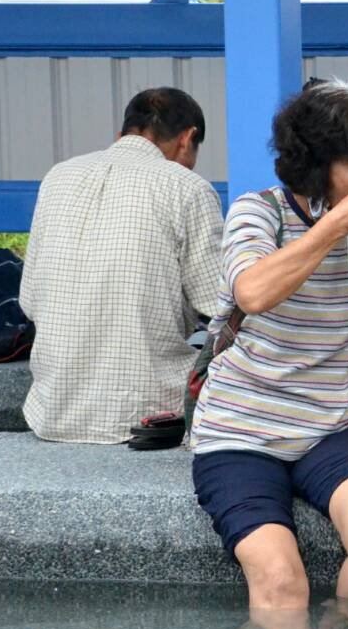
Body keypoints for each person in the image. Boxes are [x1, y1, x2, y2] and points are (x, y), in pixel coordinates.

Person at [190, 79, 348, 610]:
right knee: (280, 580)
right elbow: (254, 291)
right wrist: (335, 226)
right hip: (239, 429)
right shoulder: (257, 212)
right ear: (318, 165)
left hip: (332, 423)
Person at [20, 86, 223, 444]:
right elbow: (219, 304)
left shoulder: (57, 177)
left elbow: (30, 301)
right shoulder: (188, 187)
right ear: (188, 138)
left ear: (122, 133)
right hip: (148, 413)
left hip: (51, 409)